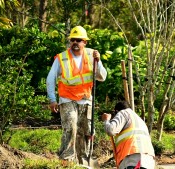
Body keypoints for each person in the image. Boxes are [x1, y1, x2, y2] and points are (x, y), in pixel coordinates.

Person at [46, 25, 107, 164]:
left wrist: (98, 62)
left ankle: (84, 162)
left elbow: (102, 77)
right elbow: (50, 79)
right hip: (67, 99)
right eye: (72, 40)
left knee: (87, 131)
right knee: (71, 127)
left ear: (84, 42)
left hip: (85, 99)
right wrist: (52, 99)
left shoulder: (92, 55)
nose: (75, 42)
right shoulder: (62, 58)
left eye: (78, 40)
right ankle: (66, 161)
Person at [101, 101, 156, 169]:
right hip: (148, 160)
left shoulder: (123, 113)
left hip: (132, 158)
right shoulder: (139, 120)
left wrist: (106, 120)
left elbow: (111, 130)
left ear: (116, 111)